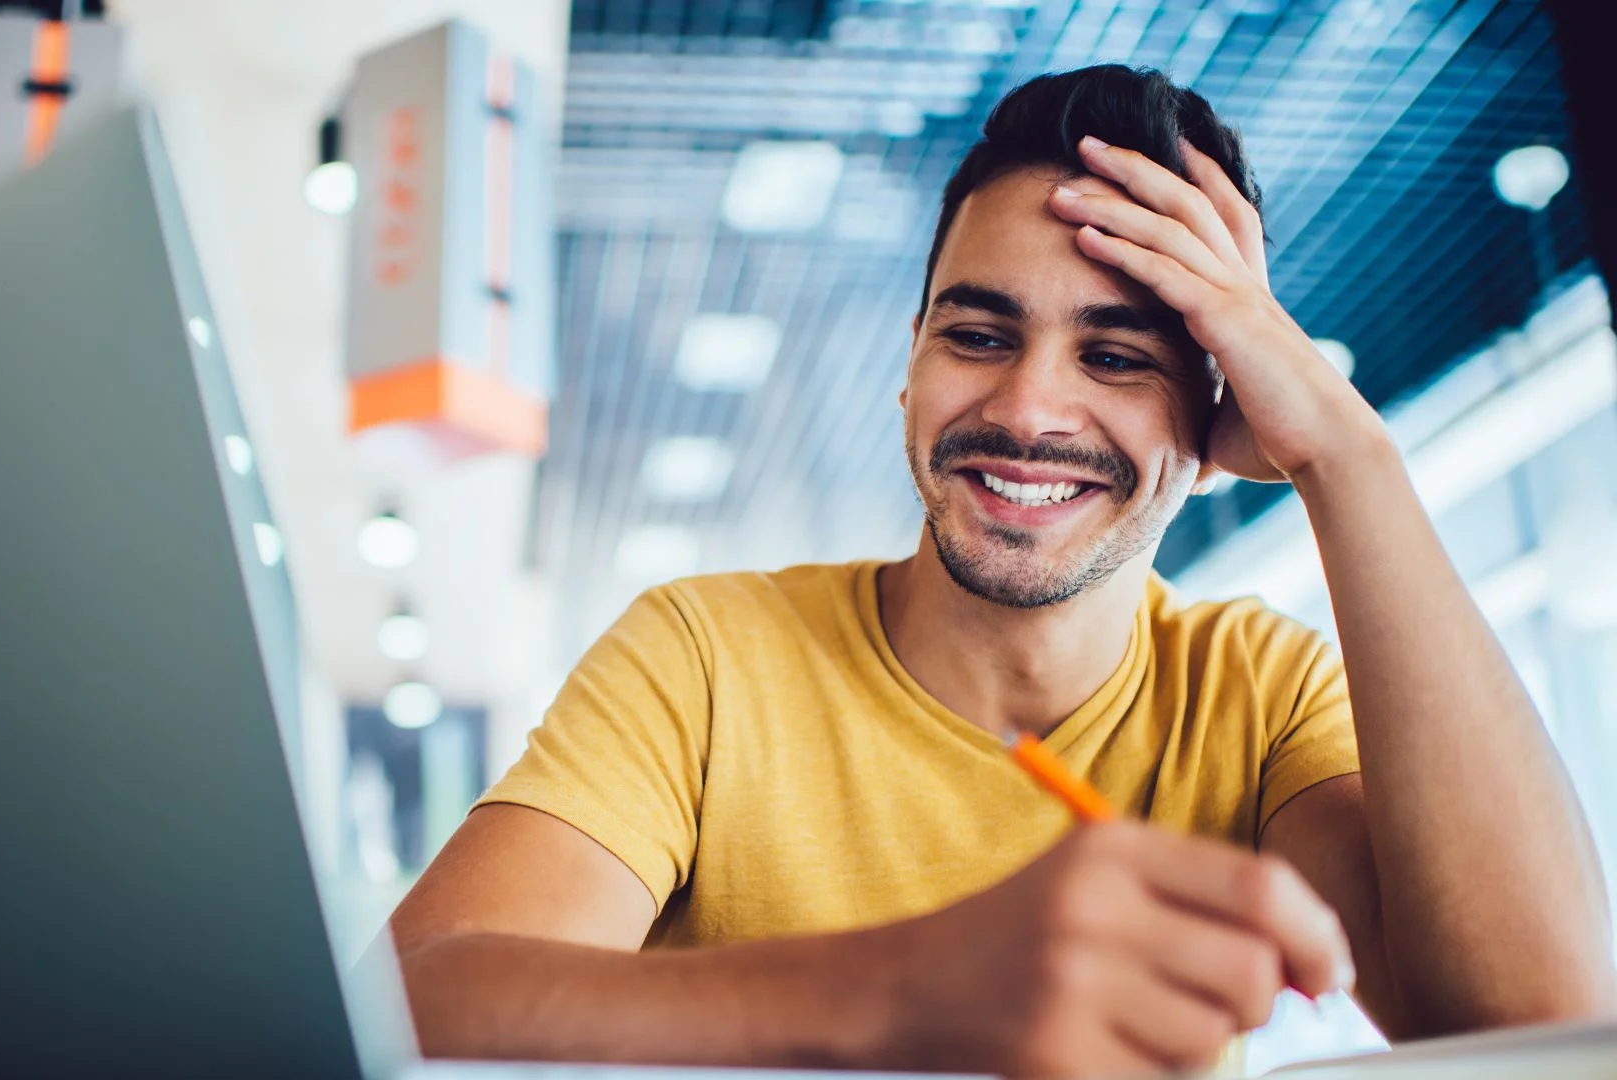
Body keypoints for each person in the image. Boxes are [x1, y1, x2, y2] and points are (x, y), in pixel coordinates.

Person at [387, 64, 1616, 1077]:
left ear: (1215, 418)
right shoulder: (709, 656)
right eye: (977, 336)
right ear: (912, 368)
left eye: (1119, 357)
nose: (1030, 407)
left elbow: (1537, 1032)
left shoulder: (1254, 696)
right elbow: (409, 1008)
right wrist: (906, 988)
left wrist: (1348, 456)